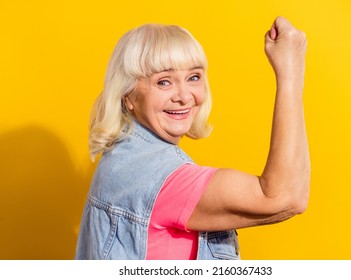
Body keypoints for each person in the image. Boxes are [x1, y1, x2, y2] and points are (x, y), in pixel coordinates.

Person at [75, 16, 310, 260]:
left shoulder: (124, 158)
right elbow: (286, 196)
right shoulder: (162, 178)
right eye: (163, 82)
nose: (184, 96)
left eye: (193, 77)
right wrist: (290, 72)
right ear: (128, 96)